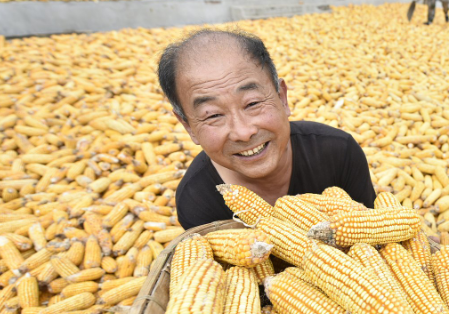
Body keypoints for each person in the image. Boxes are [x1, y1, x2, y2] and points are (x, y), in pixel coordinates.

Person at [158, 30, 377, 229]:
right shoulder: (197, 200)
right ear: (188, 126)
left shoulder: (339, 154)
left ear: (282, 98)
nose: (243, 132)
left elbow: (375, 238)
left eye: (252, 103)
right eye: (213, 115)